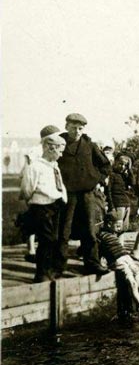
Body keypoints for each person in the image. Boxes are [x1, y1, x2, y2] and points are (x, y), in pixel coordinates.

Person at [57, 112, 111, 274]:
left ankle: (92, 264)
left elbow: (106, 166)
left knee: (89, 230)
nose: (77, 131)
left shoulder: (89, 145)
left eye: (80, 128)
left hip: (87, 194)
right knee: (63, 230)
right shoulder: (59, 143)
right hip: (67, 194)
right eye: (73, 128)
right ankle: (58, 266)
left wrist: (96, 179)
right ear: (66, 127)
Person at [19, 131, 68, 282]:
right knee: (46, 240)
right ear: (50, 148)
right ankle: (41, 274)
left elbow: (59, 186)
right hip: (42, 207)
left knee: (54, 240)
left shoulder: (54, 166)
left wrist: (62, 199)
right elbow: (27, 189)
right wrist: (32, 202)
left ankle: (50, 270)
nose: (61, 155)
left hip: (55, 206)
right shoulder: (35, 167)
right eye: (59, 151)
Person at [97, 211, 139, 319]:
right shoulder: (101, 236)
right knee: (132, 283)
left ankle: (138, 309)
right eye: (117, 226)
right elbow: (97, 251)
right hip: (118, 261)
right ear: (108, 224)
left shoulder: (113, 235)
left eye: (120, 226)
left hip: (127, 258)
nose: (119, 228)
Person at [107, 155, 134, 233]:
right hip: (117, 204)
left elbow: (133, 183)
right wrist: (111, 206)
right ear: (116, 163)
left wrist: (129, 170)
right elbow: (109, 191)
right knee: (116, 229)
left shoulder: (125, 176)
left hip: (126, 204)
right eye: (121, 164)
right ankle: (114, 244)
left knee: (123, 229)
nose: (122, 167)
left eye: (125, 165)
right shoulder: (112, 175)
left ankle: (120, 245)